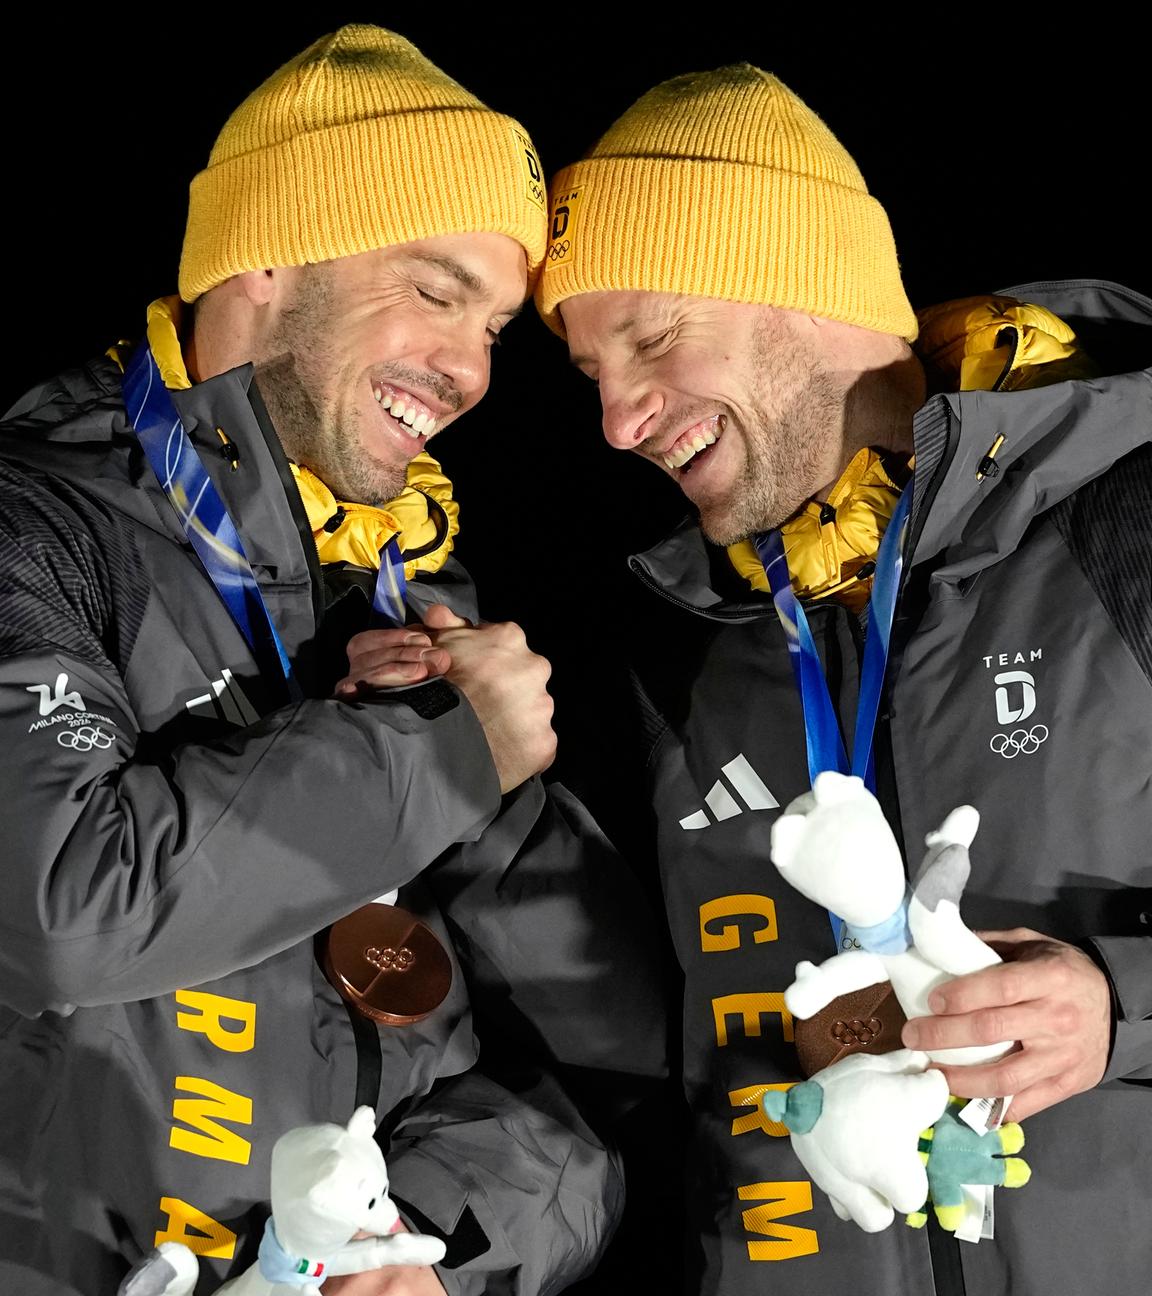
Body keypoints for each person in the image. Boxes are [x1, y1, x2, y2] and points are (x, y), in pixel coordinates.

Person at [0, 25, 666, 1296]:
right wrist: (442, 752)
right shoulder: (36, 522)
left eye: (498, 327)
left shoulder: (413, 594)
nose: (472, 372)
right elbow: (57, 912)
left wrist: (429, 1243)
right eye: (433, 289)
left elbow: (612, 1072)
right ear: (264, 256)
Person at [536, 62, 1152, 1296]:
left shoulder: (1124, 522)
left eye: (650, 339)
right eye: (593, 373)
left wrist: (1125, 1002)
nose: (616, 420)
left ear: (804, 288)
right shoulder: (675, 648)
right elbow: (611, 1072)